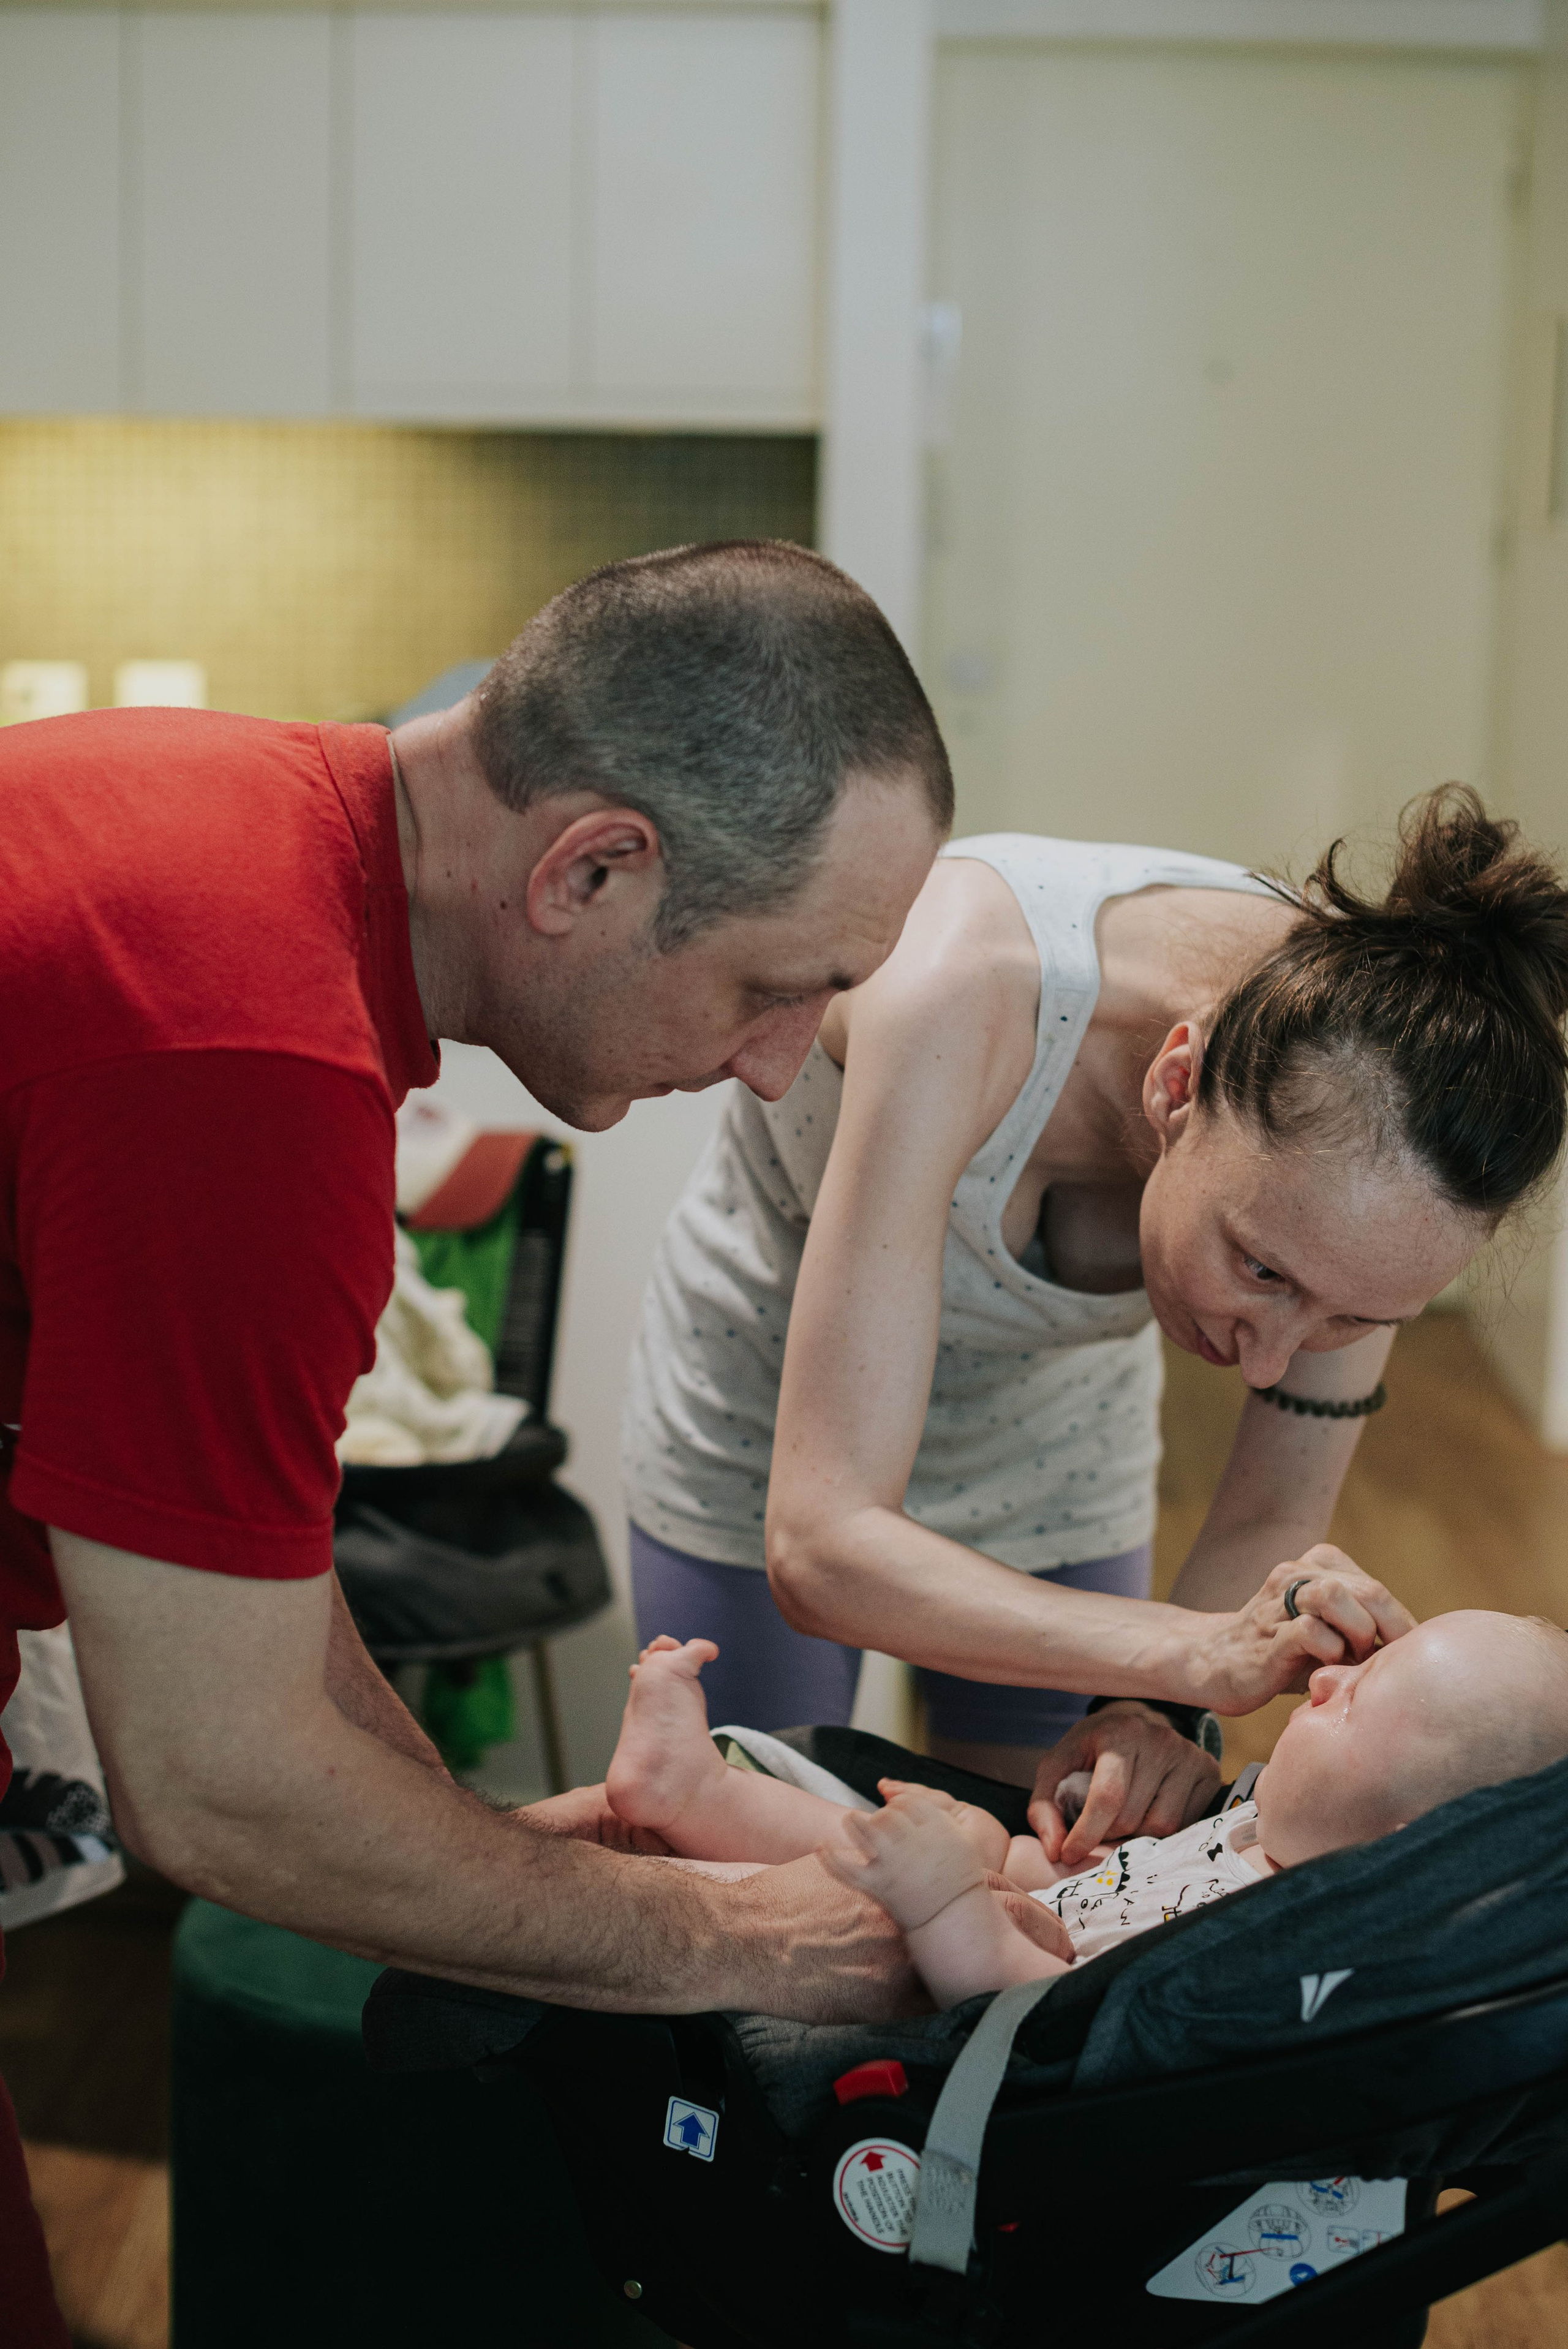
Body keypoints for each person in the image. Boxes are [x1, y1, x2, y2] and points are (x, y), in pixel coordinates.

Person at [0, 541, 956, 2341]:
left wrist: (485, 1852)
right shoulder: (246, 1053)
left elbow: (241, 1584)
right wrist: (742, 1940)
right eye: (774, 984)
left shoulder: (244, 817)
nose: (778, 1064)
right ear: (591, 867)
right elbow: (210, 1778)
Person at [622, 791, 1568, 1862]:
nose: (1270, 1361)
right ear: (1178, 1083)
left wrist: (1155, 1709)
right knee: (739, 1846)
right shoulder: (959, 988)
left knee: (1044, 1865)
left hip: (1055, 1434)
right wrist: (1192, 1653)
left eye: (1352, 1316)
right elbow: (822, 1546)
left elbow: (1274, 1509)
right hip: (773, 1402)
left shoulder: (1396, 1119)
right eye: (1258, 1269)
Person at [602, 1614, 1568, 2010]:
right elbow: (1088, 1888)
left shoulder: (1268, 1953)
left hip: (978, 1982)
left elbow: (1048, 2013)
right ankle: (695, 1792)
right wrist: (1013, 1858)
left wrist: (948, 1904)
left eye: (1357, 1701)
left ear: (1410, 1851)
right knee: (977, 1838)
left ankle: (678, 1866)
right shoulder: (1258, 1832)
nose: (1326, 1681)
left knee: (887, 1906)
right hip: (1034, 1899)